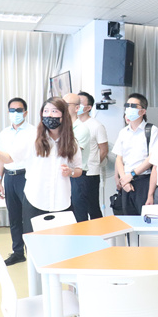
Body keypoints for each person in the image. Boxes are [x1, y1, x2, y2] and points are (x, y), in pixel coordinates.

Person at [0, 97, 82, 233]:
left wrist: (70, 172)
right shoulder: (32, 138)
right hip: (36, 200)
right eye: (46, 111)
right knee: (34, 241)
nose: (49, 115)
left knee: (62, 241)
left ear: (63, 115)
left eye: (54, 111)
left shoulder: (71, 142)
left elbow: (78, 169)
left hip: (62, 201)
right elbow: (9, 158)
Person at [0, 97, 36, 265]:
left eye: (19, 110)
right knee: (14, 217)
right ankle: (18, 252)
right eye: (12, 110)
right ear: (8, 112)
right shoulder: (4, 133)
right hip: (9, 178)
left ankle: (33, 253)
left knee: (29, 217)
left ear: (25, 112)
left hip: (26, 177)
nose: (15, 113)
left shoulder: (33, 131)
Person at [113, 93, 158, 216]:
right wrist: (124, 179)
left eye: (133, 106)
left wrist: (132, 174)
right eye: (127, 105)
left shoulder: (152, 130)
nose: (129, 108)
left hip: (144, 180)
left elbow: (152, 158)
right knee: (128, 218)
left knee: (146, 217)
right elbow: (119, 158)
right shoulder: (123, 132)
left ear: (143, 111)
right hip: (126, 182)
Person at [78, 91, 109, 219]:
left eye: (80, 103)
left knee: (93, 208)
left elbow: (104, 150)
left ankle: (99, 231)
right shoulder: (72, 124)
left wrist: (94, 164)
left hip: (90, 173)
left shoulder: (96, 126)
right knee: (77, 208)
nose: (76, 105)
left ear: (88, 108)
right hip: (74, 172)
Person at [63, 92, 90, 222]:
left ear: (77, 108)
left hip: (77, 176)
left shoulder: (81, 129)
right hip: (64, 175)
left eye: (66, 105)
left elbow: (70, 153)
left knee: (78, 215)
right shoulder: (61, 127)